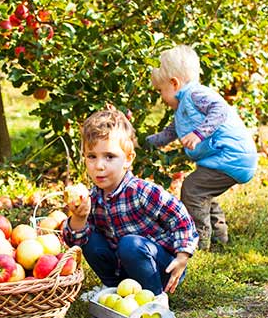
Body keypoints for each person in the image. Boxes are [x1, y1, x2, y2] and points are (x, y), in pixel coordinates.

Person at [62, 109, 198, 295]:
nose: (99, 166)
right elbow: (74, 242)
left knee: (129, 245)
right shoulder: (92, 199)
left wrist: (182, 256)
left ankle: (154, 298)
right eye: (92, 156)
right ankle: (115, 290)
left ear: (128, 159)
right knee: (90, 240)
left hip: (162, 267)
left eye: (109, 156)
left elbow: (181, 218)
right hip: (124, 269)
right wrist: (79, 218)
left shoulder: (142, 192)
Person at [146, 45, 258, 250]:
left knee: (192, 189)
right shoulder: (182, 109)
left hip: (230, 156)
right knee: (203, 193)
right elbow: (167, 135)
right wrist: (141, 143)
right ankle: (219, 238)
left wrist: (198, 134)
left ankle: (198, 243)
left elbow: (220, 109)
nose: (161, 97)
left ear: (174, 83)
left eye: (160, 90)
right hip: (225, 158)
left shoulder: (196, 94)